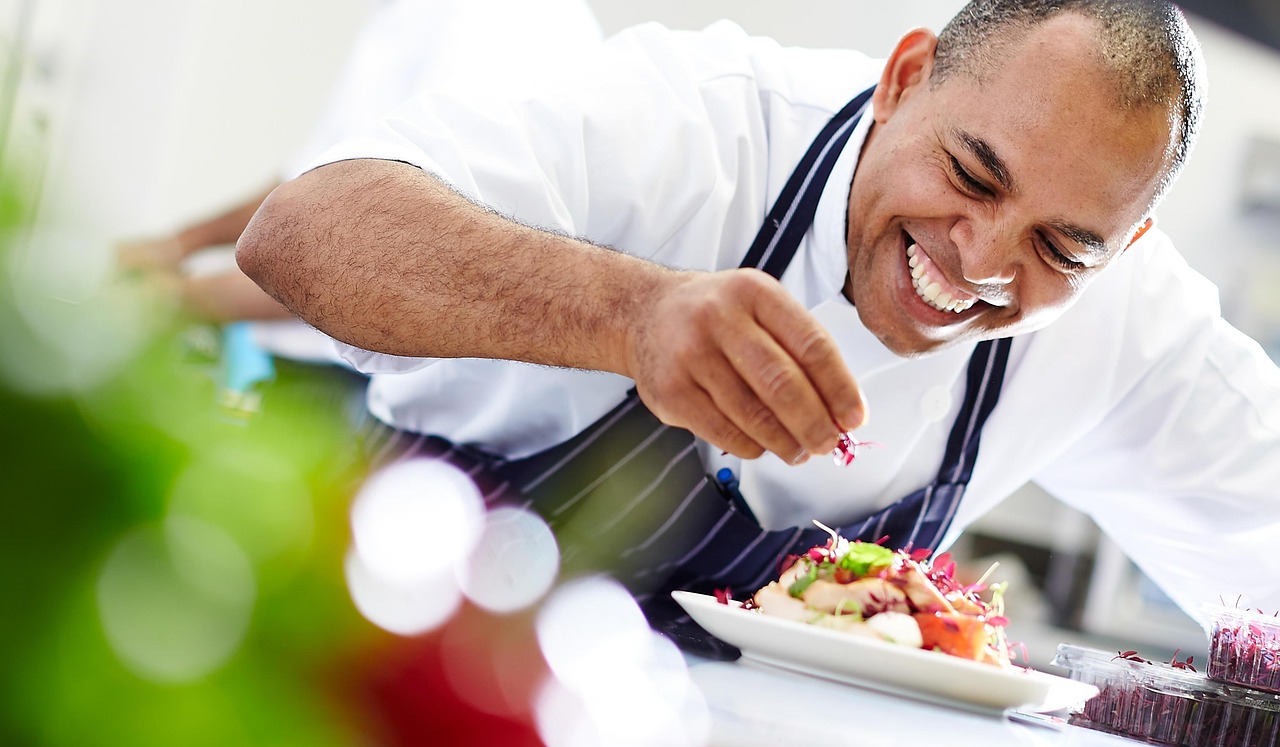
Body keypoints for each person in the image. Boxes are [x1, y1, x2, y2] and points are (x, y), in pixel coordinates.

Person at [235, 0, 1280, 654]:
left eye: (1061, 248)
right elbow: (303, 232)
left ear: (1128, 244)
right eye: (968, 174)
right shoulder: (699, 119)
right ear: (904, 77)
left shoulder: (1130, 326)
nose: (980, 261)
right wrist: (630, 316)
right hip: (391, 658)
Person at [116, 0, 603, 363]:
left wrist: (179, 299)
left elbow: (391, 257)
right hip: (303, 351)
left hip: (367, 380)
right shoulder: (417, 15)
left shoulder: (508, 28)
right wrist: (179, 245)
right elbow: (315, 179)